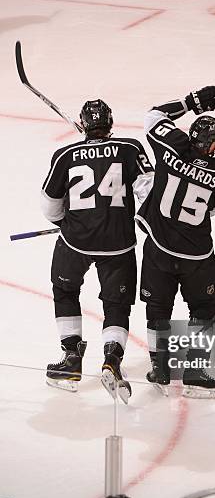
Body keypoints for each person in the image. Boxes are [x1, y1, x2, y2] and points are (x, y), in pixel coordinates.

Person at [42, 99, 154, 404]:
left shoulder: (65, 154)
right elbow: (148, 191)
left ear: (84, 124)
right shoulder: (130, 148)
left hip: (75, 241)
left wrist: (67, 222)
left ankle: (70, 361)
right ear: (110, 122)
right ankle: (112, 360)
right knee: (117, 304)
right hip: (119, 243)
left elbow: (49, 204)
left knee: (65, 291)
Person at [135, 86, 215, 398]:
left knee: (158, 307)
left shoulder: (171, 144)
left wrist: (193, 102)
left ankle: (160, 368)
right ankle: (195, 371)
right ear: (214, 145)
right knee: (203, 307)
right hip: (196, 254)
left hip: (159, 248)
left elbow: (154, 116)